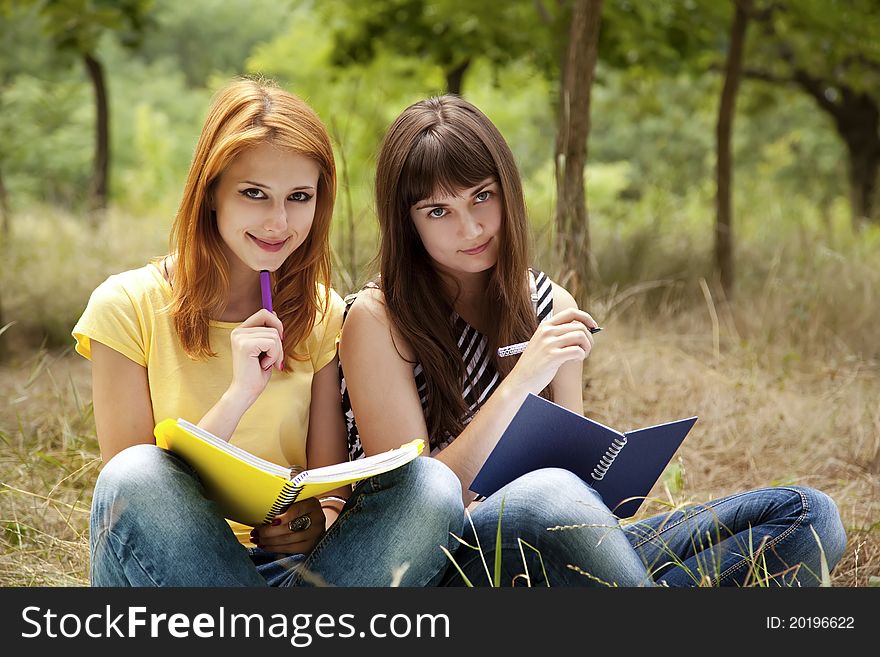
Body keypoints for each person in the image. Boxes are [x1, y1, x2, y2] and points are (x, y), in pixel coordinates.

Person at [338, 94, 847, 587]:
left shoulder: (548, 304)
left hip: (551, 544)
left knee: (807, 517)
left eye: (482, 197)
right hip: (446, 567)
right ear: (407, 223)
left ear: (507, 192)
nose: (470, 227)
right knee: (544, 494)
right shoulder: (378, 319)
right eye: (438, 211)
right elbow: (424, 511)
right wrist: (521, 384)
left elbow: (577, 487)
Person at [72, 78, 463, 587]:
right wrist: (239, 395)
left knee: (431, 485)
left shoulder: (319, 311)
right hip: (170, 569)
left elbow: (327, 488)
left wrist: (311, 521)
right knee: (139, 472)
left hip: (289, 572)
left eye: (299, 197)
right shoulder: (125, 306)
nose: (279, 222)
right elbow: (135, 500)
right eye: (254, 194)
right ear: (210, 191)